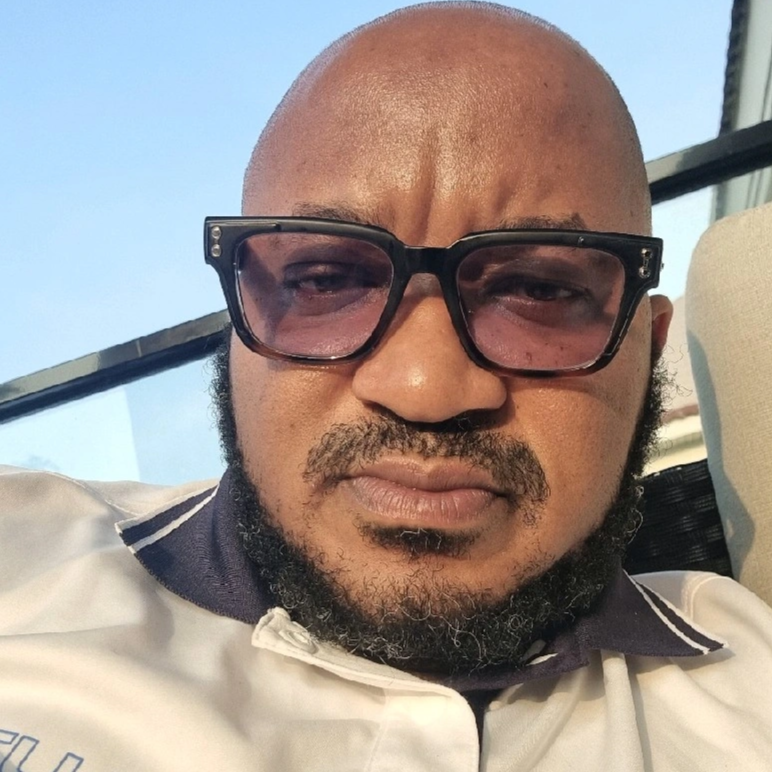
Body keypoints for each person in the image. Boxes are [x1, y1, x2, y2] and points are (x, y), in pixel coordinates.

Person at [3, 3, 772, 771]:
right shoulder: (24, 559)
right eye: (325, 279)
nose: (425, 388)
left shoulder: (749, 681)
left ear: (650, 352)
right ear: (237, 323)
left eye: (538, 289)